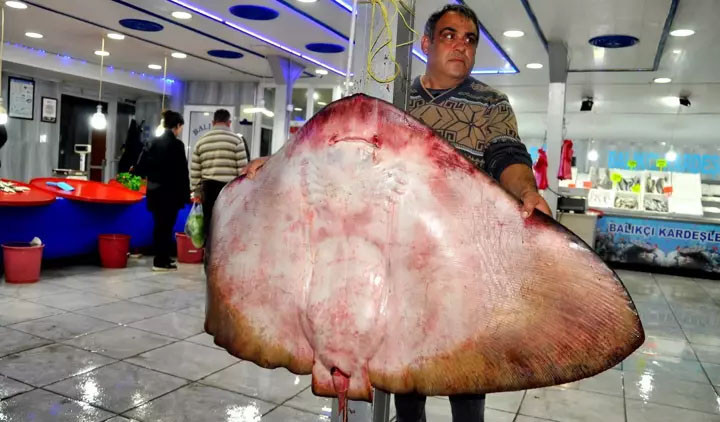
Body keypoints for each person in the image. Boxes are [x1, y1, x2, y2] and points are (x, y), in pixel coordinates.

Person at [242, 4, 550, 421]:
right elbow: (331, 149)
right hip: (400, 262)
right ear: (426, 43)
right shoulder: (395, 100)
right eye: (449, 35)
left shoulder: (491, 104)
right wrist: (276, 165)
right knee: (406, 382)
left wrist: (526, 190)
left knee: (468, 379)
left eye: (469, 39)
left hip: (461, 259)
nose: (461, 45)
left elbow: (506, 155)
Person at [133, 110, 190, 271]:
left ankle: (162, 257)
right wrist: (186, 194)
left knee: (159, 225)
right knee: (167, 226)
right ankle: (160, 261)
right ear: (177, 126)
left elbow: (140, 167)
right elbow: (182, 172)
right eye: (181, 127)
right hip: (171, 193)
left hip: (154, 191)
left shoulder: (152, 142)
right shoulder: (177, 145)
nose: (180, 130)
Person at [190, 109, 249, 251]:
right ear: (229, 123)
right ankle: (226, 255)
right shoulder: (237, 141)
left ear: (213, 122)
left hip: (208, 189)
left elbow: (195, 170)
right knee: (228, 224)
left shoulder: (201, 141)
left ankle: (209, 255)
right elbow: (243, 170)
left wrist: (196, 191)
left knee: (210, 225)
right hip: (230, 190)